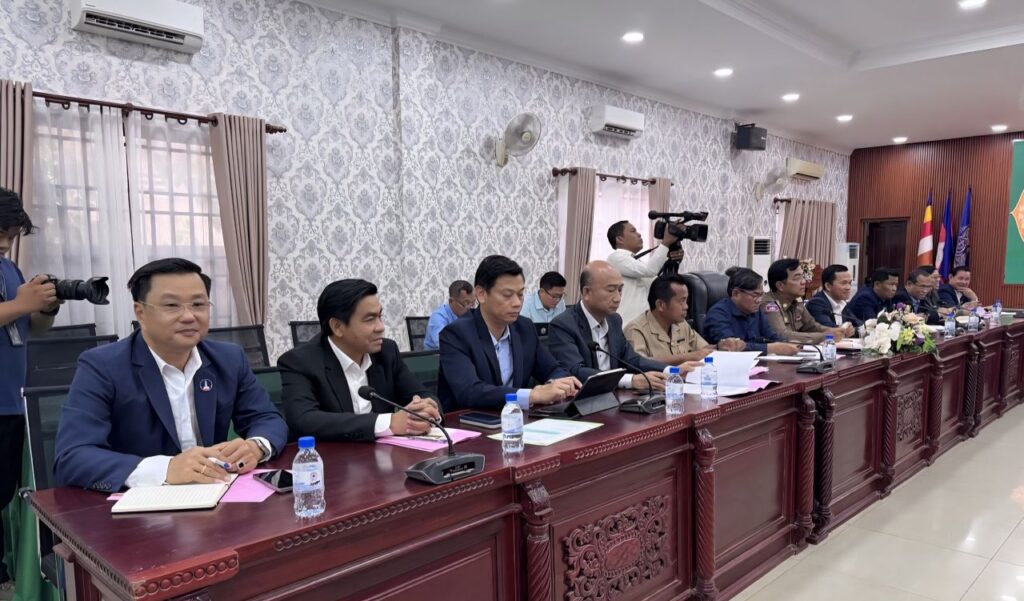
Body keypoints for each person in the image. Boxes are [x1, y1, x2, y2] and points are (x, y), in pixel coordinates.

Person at [53, 259, 287, 491]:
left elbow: (267, 418)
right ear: (140, 312)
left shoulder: (228, 358)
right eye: (172, 306)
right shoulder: (102, 366)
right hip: (140, 504)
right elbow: (72, 456)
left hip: (216, 493)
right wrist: (166, 469)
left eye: (198, 304)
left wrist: (256, 446)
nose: (189, 316)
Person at [278, 279, 440, 442]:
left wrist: (426, 411)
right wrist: (388, 423)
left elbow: (422, 395)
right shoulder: (300, 362)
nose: (381, 327)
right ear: (337, 327)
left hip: (386, 453)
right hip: (333, 455)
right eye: (370, 319)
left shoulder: (387, 351)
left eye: (380, 316)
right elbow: (304, 420)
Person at [0, 188, 59, 597]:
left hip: (12, 397)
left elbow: (30, 329)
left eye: (10, 234)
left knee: (3, 491)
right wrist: (23, 304)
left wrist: (45, 309)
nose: (6, 242)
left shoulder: (9, 269)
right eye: (0, 233)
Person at [438, 256, 580, 411]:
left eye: (520, 294)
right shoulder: (456, 334)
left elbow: (552, 369)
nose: (517, 303)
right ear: (481, 294)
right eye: (507, 295)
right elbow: (470, 392)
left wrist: (558, 384)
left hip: (516, 418)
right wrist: (532, 395)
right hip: (470, 420)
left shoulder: (525, 328)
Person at [549, 262, 702, 391]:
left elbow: (632, 359)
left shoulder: (614, 320)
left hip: (615, 398)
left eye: (620, 290)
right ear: (587, 292)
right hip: (583, 402)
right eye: (611, 290)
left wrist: (671, 370)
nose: (618, 298)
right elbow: (576, 371)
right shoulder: (563, 325)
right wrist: (630, 380)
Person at [624, 273, 745, 364]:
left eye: (686, 301)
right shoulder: (636, 329)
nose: (686, 306)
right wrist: (687, 357)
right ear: (660, 305)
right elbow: (639, 363)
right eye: (681, 301)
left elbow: (703, 350)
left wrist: (720, 347)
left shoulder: (681, 324)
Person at [703, 268, 801, 355]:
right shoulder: (718, 314)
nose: (759, 300)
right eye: (755, 295)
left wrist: (787, 343)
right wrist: (770, 349)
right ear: (736, 293)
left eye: (761, 295)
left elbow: (772, 337)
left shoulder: (756, 311)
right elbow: (731, 347)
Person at [606, 220, 681, 324]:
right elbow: (650, 270)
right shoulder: (615, 258)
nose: (639, 234)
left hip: (644, 326)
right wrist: (665, 243)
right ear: (620, 239)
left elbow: (659, 286)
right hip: (627, 325)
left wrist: (674, 261)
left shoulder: (638, 264)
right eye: (633, 231)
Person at [762, 259, 850, 344]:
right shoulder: (769, 304)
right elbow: (782, 335)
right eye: (797, 278)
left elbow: (812, 326)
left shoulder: (796, 302)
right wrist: (825, 336)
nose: (803, 282)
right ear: (780, 285)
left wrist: (836, 331)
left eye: (803, 277)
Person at [806, 264, 861, 330]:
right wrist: (855, 331)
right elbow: (829, 329)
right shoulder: (816, 303)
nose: (848, 287)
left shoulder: (841, 302)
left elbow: (858, 324)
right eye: (844, 283)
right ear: (828, 286)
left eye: (850, 283)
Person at [423, 280, 474, 350]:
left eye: (472, 303)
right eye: (465, 303)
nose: (469, 308)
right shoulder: (438, 317)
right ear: (451, 301)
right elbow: (444, 344)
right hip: (436, 355)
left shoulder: (468, 316)